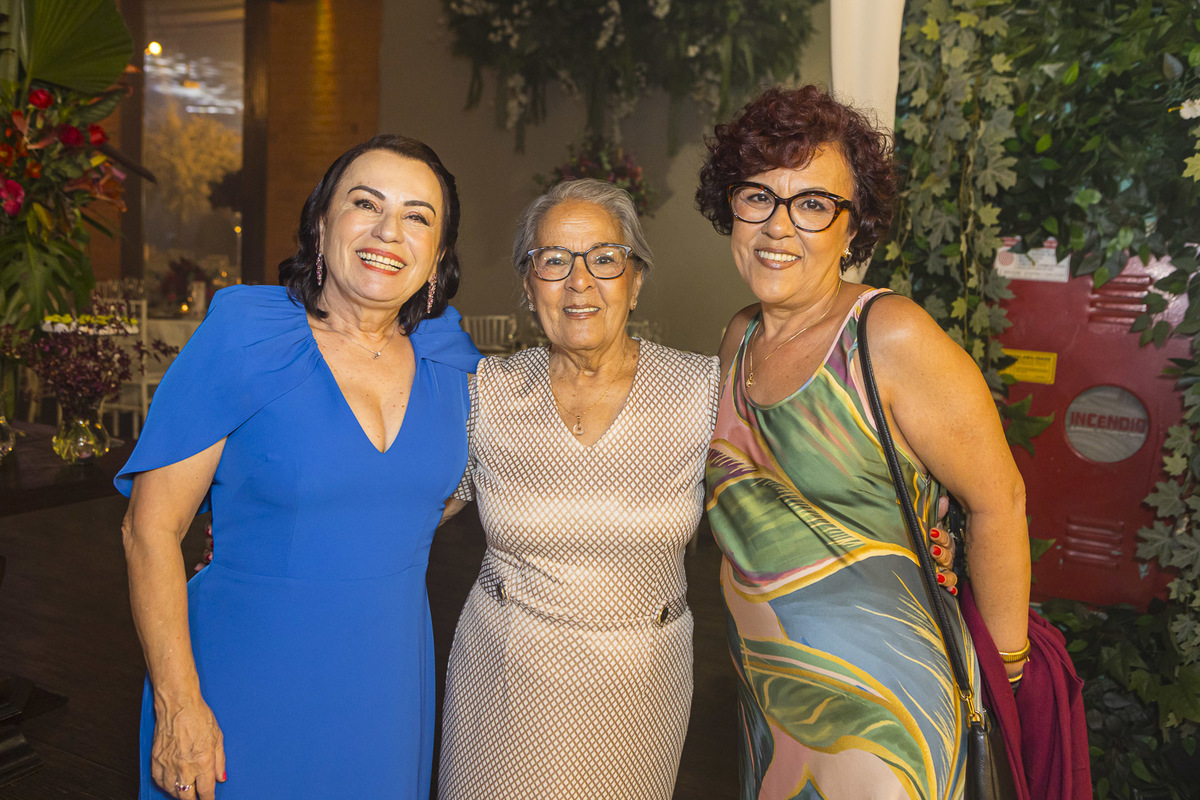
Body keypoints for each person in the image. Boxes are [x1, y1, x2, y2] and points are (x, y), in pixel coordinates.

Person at [117, 134, 480, 799]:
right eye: (365, 204)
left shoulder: (450, 360)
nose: (388, 231)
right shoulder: (247, 335)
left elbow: (452, 486)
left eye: (417, 216)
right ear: (320, 225)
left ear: (437, 256)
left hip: (386, 684)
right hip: (241, 677)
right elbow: (149, 529)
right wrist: (178, 705)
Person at [698, 85, 1031, 799]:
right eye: (758, 196)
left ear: (855, 228)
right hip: (771, 708)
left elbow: (998, 500)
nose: (778, 226)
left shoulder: (890, 336)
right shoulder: (737, 338)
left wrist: (1004, 681)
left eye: (814, 204)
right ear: (731, 208)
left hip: (890, 718)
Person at [435, 179, 720, 799]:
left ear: (635, 280)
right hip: (502, 686)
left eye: (604, 258)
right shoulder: (488, 391)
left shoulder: (702, 390)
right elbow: (406, 510)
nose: (579, 282)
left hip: (638, 694)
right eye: (554, 260)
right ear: (527, 283)